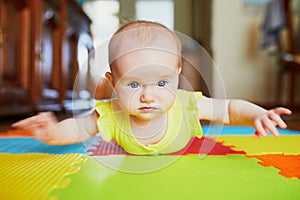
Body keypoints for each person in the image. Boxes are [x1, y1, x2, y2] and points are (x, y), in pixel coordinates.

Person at [12, 20, 292, 155]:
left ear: (177, 74)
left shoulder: (186, 104)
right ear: (112, 82)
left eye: (161, 83)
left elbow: (229, 110)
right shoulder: (110, 113)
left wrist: (257, 115)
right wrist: (51, 132)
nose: (148, 95)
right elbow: (78, 128)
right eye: (133, 84)